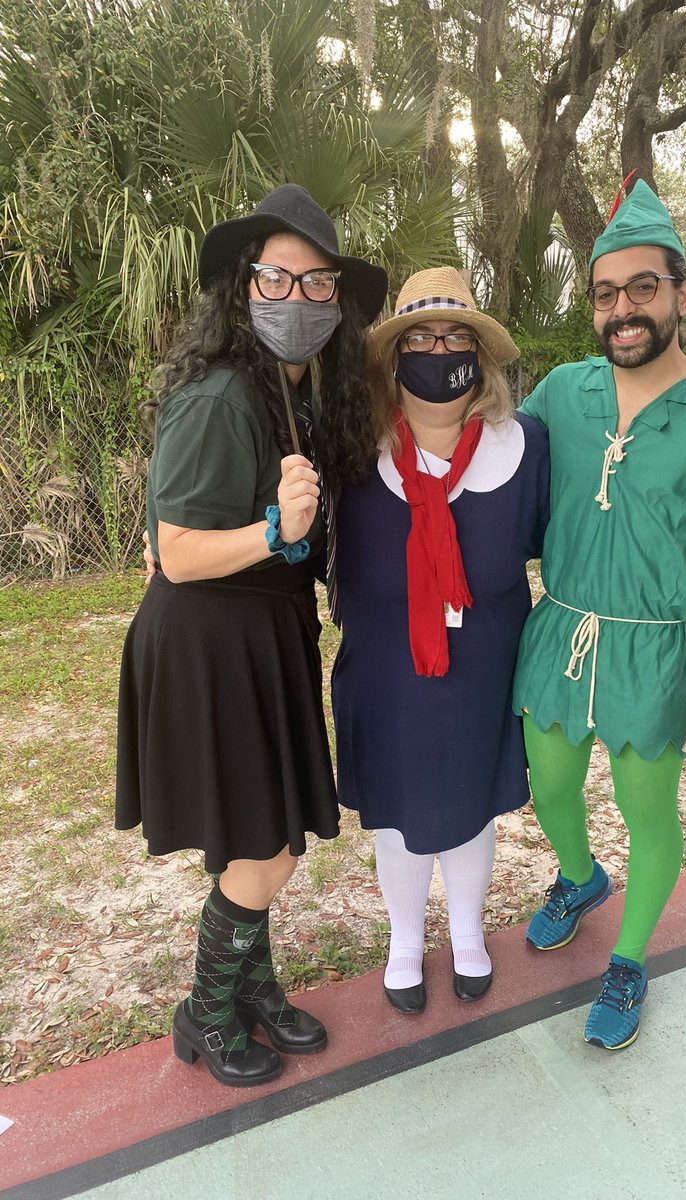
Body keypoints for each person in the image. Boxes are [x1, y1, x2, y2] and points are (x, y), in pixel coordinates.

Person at [116, 184, 388, 1086]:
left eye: (319, 285)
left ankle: (249, 989)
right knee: (265, 852)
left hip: (267, 634)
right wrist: (273, 531)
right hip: (210, 640)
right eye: (279, 278)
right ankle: (203, 1009)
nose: (298, 300)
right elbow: (179, 551)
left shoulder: (307, 399)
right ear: (244, 288)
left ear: (338, 305)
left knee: (254, 836)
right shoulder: (220, 393)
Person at [513, 177, 686, 1050]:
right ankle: (579, 879)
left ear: (681, 293)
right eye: (604, 293)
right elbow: (484, 471)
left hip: (656, 650)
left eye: (641, 289)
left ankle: (627, 960)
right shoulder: (561, 392)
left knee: (648, 812)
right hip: (558, 630)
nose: (621, 309)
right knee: (548, 786)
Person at [331, 268, 550, 1012]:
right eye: (419, 338)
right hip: (387, 667)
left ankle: (465, 933)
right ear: (393, 356)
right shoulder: (352, 452)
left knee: (468, 803)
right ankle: (401, 942)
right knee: (399, 809)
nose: (437, 350)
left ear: (480, 356)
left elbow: (568, 546)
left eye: (455, 337)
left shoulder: (524, 449)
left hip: (483, 666)